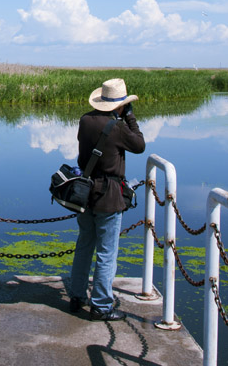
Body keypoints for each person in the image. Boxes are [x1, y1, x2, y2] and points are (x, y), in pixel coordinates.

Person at [68, 78, 146, 321]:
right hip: (109, 195)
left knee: (84, 246)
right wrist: (130, 118)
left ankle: (77, 295)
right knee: (107, 253)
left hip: (85, 192)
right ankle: (101, 305)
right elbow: (140, 145)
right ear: (121, 105)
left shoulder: (84, 120)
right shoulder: (118, 127)